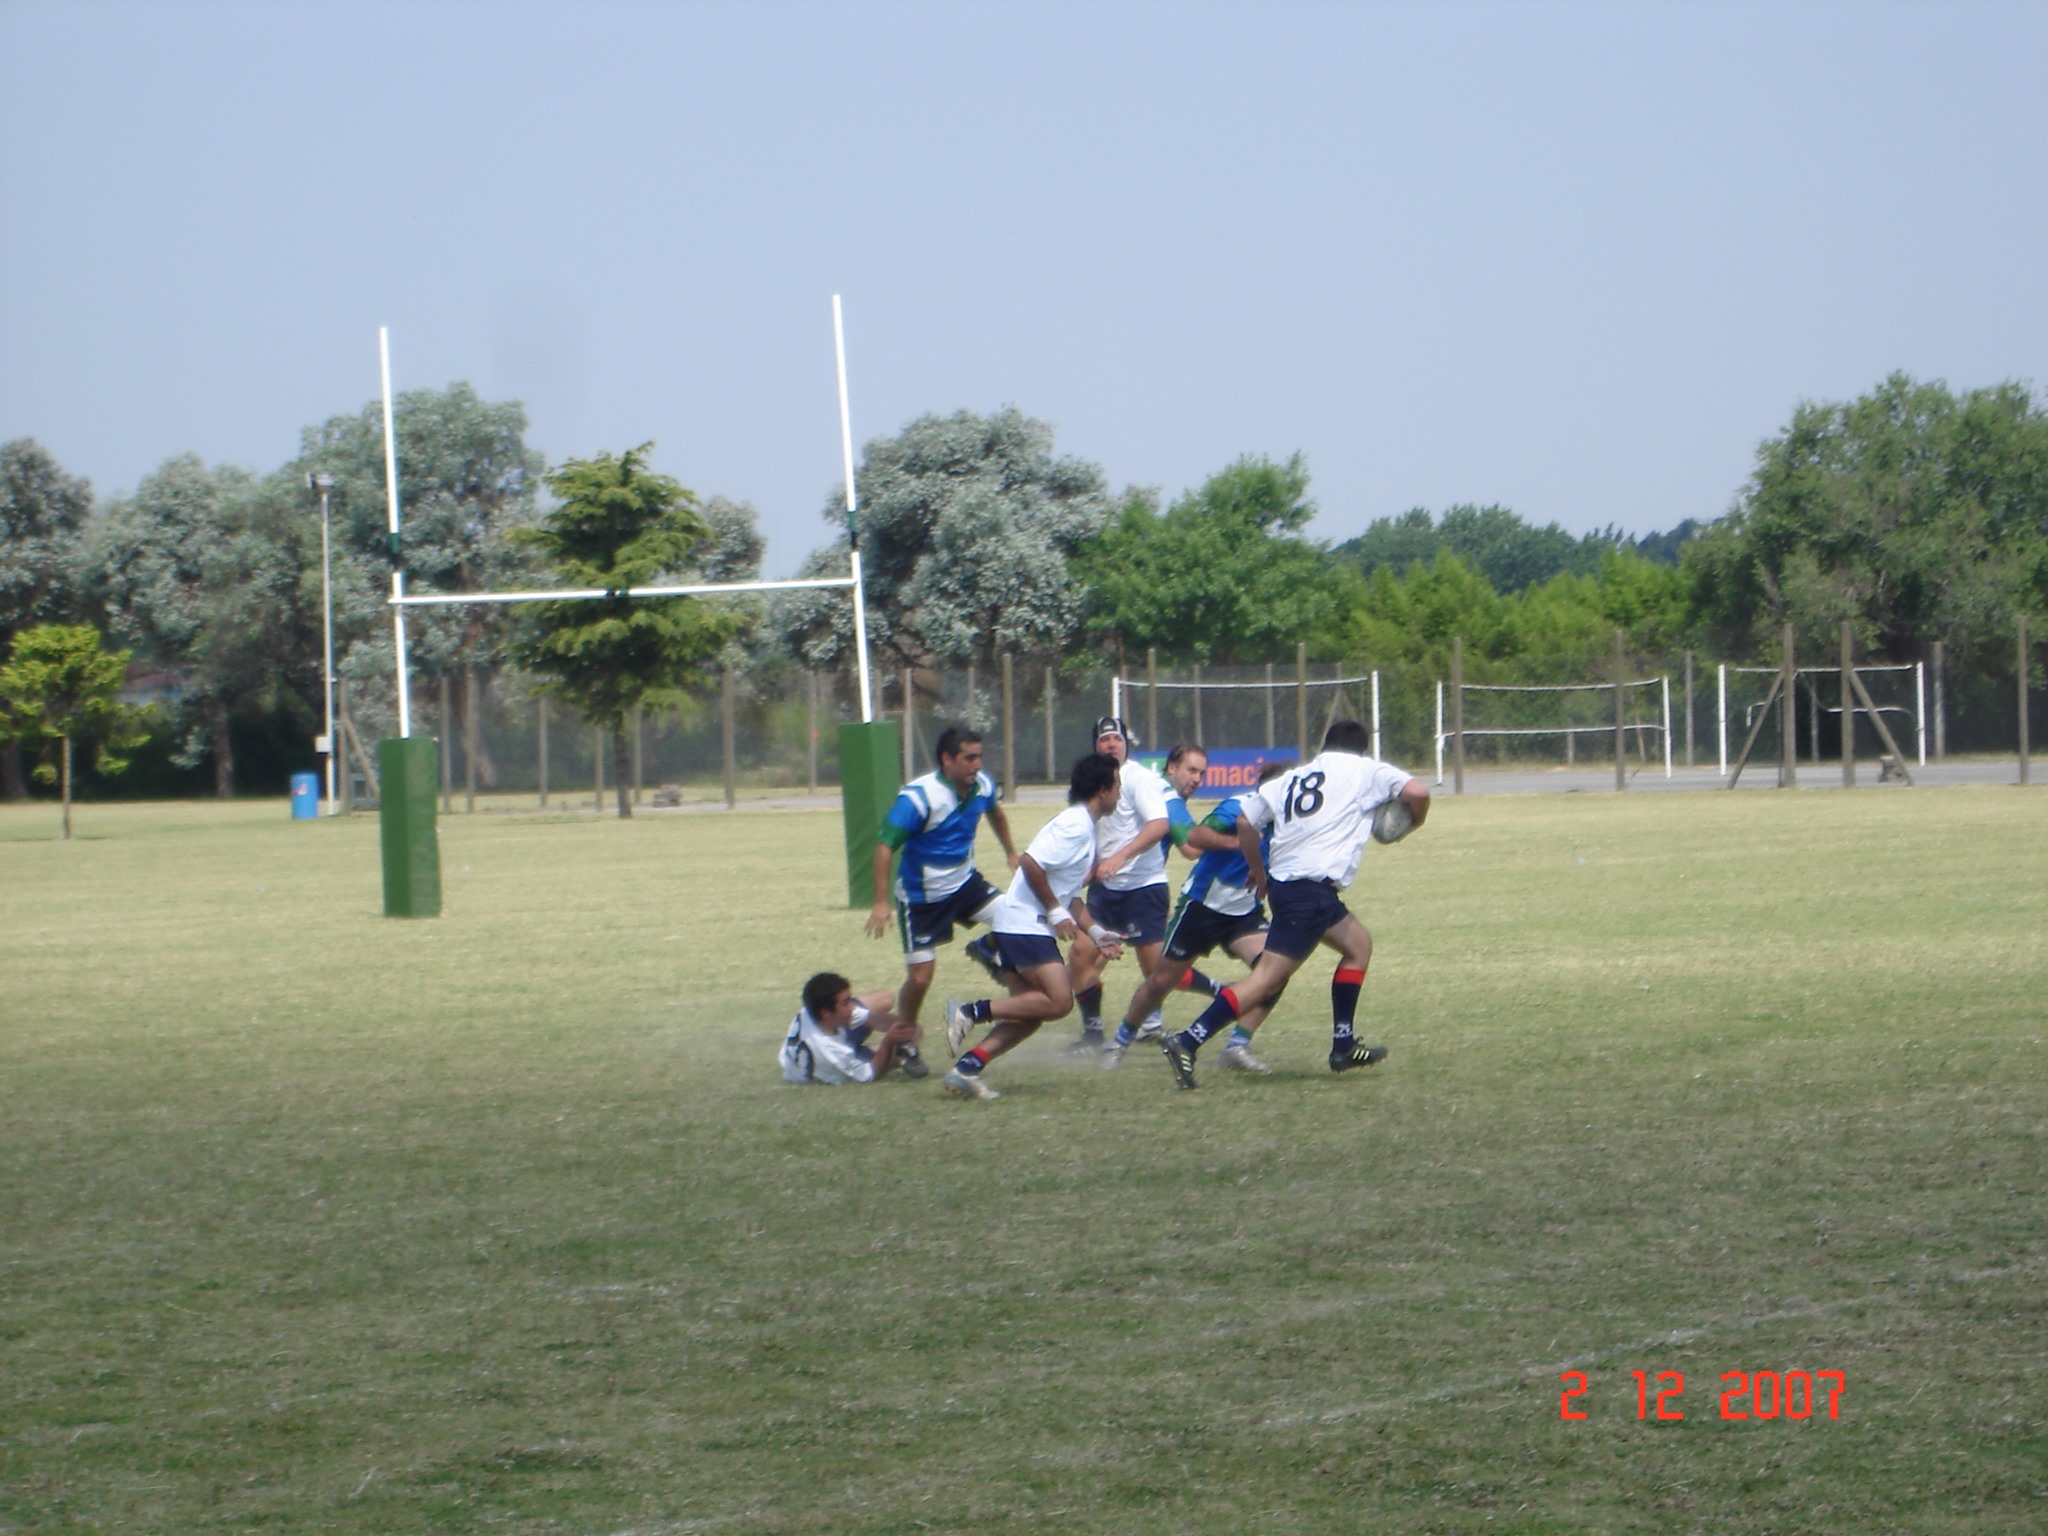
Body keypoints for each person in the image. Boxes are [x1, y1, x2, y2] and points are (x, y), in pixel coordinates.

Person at [1160, 720, 1430, 1090]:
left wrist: (1258, 871)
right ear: (1362, 750)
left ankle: (1343, 1044)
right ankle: (1189, 1039)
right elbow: (1418, 792)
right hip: (1309, 890)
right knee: (1267, 978)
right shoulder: (1367, 770)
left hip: (1295, 887)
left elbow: (1244, 820)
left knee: (1358, 945)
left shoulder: (1295, 775)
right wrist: (1414, 822)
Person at [938, 754, 1126, 1101]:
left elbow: (1071, 897)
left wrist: (1098, 935)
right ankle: (969, 1011)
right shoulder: (1074, 824)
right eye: (1118, 786)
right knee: (1058, 1002)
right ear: (1103, 790)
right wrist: (1055, 913)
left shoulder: (1085, 827)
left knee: (1030, 1013)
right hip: (1025, 924)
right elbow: (1030, 863)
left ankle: (967, 1068)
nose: (1120, 794)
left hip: (1023, 925)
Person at [1101, 760, 1290, 1072]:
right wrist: (1240, 843)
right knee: (1161, 980)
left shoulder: (1290, 819)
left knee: (1275, 971)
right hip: (1202, 906)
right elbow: (1197, 838)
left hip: (1244, 913)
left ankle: (1238, 1046)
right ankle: (1119, 1041)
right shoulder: (1237, 808)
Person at [865, 725, 1019, 1080]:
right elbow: (885, 844)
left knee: (1015, 915)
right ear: (946, 760)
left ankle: (985, 948)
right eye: (969, 758)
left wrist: (1010, 852)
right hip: (922, 899)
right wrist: (880, 902)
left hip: (966, 884)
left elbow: (995, 812)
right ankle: (906, 1040)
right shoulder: (920, 797)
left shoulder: (982, 786)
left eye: (980, 756)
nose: (977, 765)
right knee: (920, 979)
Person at [1059, 722, 1206, 1055]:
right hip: (1105, 889)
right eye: (1104, 739)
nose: (1111, 745)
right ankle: (1093, 1032)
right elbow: (1091, 830)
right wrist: (1090, 867)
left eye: (1117, 739)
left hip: (1143, 888)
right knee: (1082, 955)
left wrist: (1119, 857)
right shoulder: (1093, 780)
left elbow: (1159, 825)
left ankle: (1222, 995)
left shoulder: (1140, 780)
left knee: (1159, 970)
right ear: (1096, 746)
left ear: (1126, 744)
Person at [780, 972, 920, 1085]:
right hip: (833, 1061)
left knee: (885, 998)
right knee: (895, 1056)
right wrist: (889, 1041)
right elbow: (870, 1073)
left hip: (833, 1041)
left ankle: (878, 1047)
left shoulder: (813, 1011)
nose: (852, 1007)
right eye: (846, 1003)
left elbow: (869, 1017)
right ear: (826, 1013)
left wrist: (906, 1025)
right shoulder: (832, 1054)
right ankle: (899, 1055)